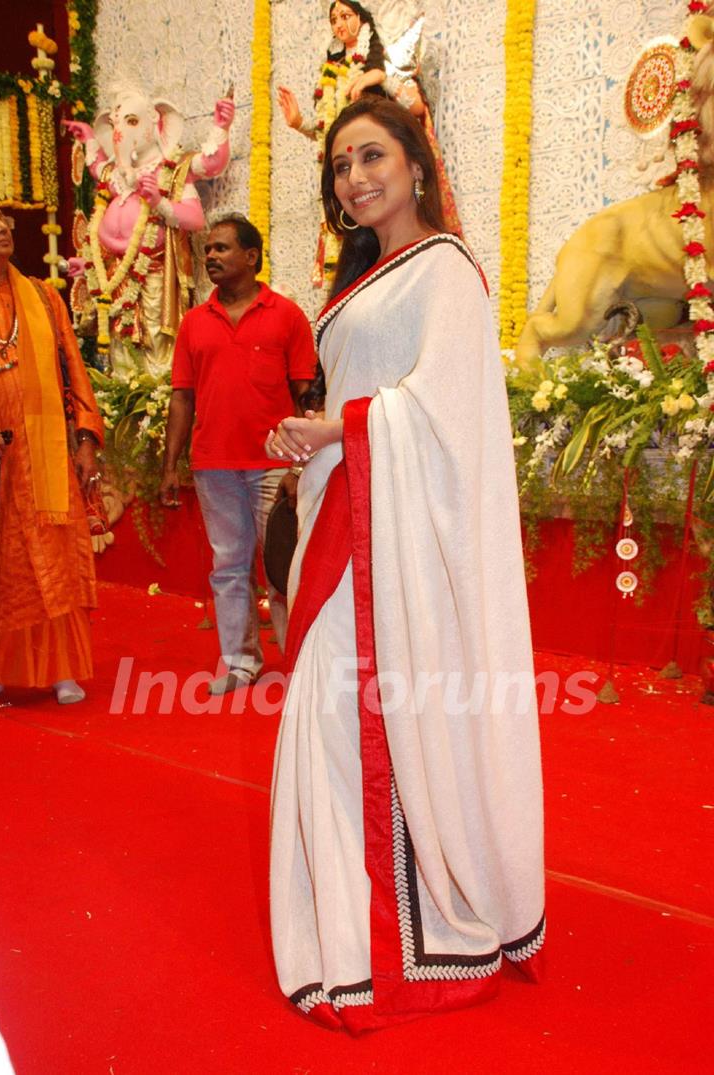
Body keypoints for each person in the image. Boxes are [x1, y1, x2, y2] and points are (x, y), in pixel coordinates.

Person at [265, 98, 545, 1031]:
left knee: (354, 715)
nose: (354, 178)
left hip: (394, 544)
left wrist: (341, 428)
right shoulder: (359, 283)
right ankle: (343, 914)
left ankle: (393, 931)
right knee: (328, 713)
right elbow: (362, 399)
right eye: (341, 164)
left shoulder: (447, 272)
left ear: (417, 163)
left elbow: (444, 411)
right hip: (341, 524)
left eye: (372, 156)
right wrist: (316, 434)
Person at [160, 214, 316, 694]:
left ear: (251, 257)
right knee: (227, 566)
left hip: (274, 465)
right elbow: (182, 396)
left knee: (283, 567)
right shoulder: (192, 323)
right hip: (214, 466)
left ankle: (300, 668)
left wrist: (301, 464)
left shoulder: (287, 315)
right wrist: (171, 466)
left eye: (222, 248)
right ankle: (240, 661)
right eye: (208, 250)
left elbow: (306, 393)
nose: (210, 256)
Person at [0, 203, 104, 705]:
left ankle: (61, 668)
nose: (0, 228)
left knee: (52, 556)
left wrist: (85, 437)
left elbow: (75, 370)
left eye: (2, 220)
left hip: (44, 449)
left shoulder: (42, 295)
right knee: (4, 563)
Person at [277, 0, 461, 286]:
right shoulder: (332, 72)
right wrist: (301, 123)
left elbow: (415, 108)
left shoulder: (381, 61)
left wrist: (379, 78)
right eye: (341, 168)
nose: (338, 24)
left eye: (372, 156)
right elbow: (330, 133)